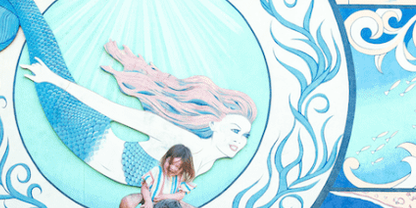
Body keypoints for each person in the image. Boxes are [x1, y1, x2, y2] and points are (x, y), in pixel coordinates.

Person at [22, 40, 256, 187]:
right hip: (88, 136)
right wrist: (52, 79)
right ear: (215, 124)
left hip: (88, 147)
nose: (239, 140)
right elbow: (111, 109)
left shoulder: (205, 163)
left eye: (245, 135)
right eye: (235, 130)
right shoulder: (179, 138)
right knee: (39, 39)